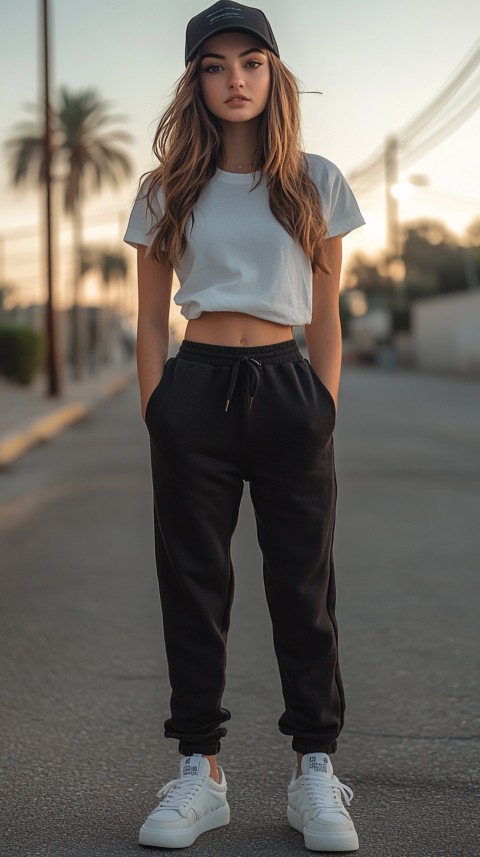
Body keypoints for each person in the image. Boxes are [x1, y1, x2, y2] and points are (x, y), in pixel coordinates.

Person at [124, 1, 365, 851]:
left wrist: (323, 402)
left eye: (251, 62)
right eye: (217, 65)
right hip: (194, 389)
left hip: (287, 388)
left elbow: (328, 315)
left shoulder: (315, 180)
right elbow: (150, 319)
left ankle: (314, 771)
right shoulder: (167, 190)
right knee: (194, 584)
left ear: (274, 74)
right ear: (195, 81)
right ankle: (202, 770)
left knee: (303, 587)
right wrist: (159, 407)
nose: (236, 79)